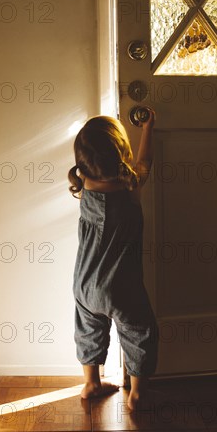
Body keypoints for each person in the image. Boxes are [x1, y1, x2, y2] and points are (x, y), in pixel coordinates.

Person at [68, 111, 158, 411]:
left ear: (82, 163)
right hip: (122, 286)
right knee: (139, 332)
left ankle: (92, 383)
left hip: (85, 283)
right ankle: (137, 393)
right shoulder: (130, 187)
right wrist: (148, 128)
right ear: (121, 153)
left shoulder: (83, 184)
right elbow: (144, 163)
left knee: (88, 330)